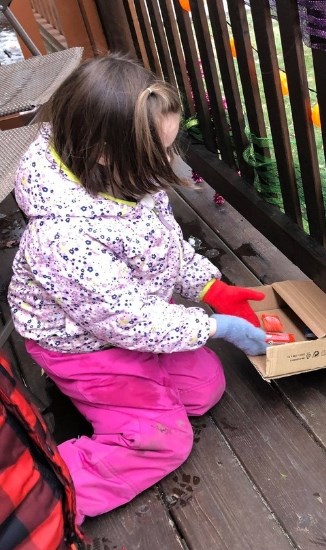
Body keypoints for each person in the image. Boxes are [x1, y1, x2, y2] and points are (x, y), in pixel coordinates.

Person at [8, 53, 268, 526]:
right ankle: (50, 491)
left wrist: (209, 287)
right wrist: (215, 325)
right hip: (86, 349)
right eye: (160, 153)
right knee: (167, 441)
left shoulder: (123, 177)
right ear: (106, 150)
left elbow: (164, 247)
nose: (170, 162)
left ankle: (128, 397)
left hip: (131, 323)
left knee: (205, 388)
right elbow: (131, 322)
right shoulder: (64, 237)